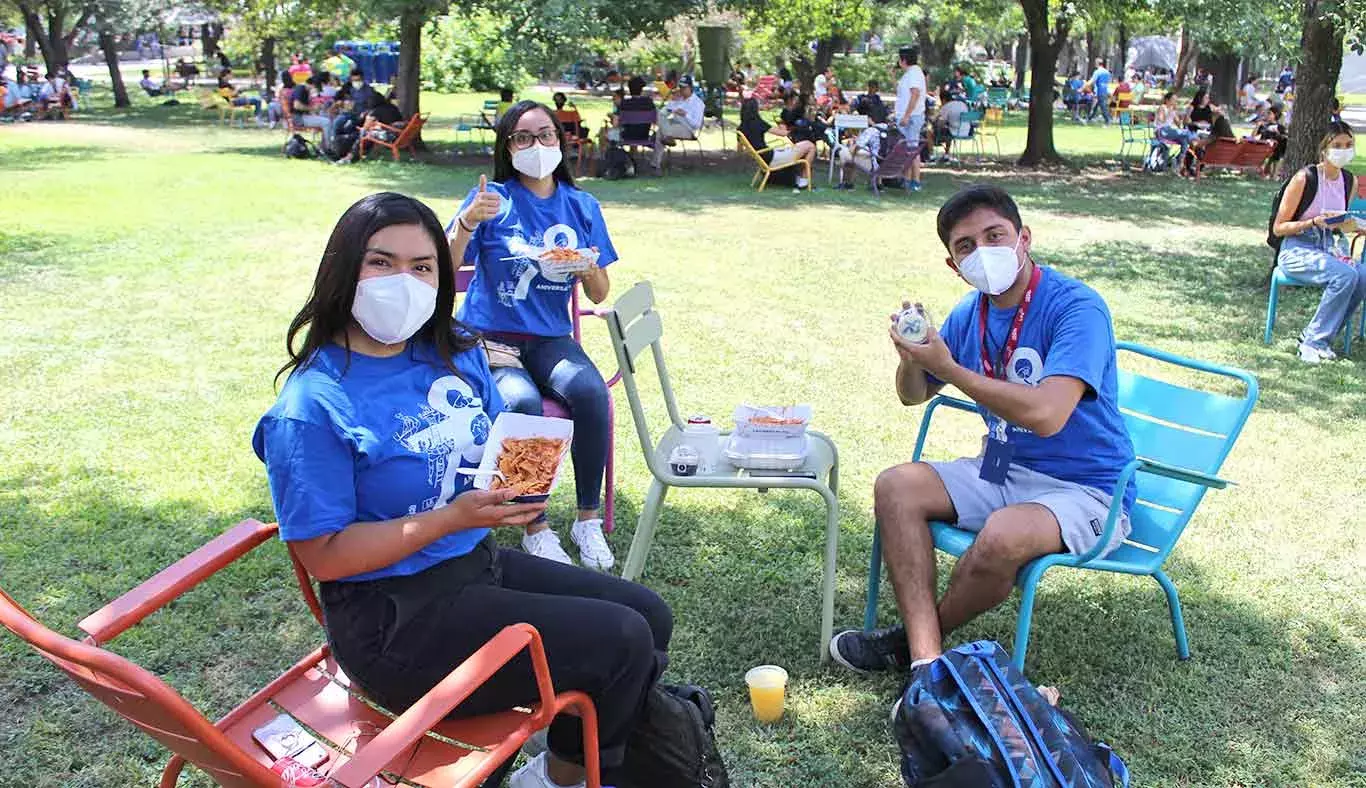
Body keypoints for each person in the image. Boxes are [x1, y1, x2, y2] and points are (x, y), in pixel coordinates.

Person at [254, 191, 673, 788]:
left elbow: (493, 442)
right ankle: (561, 778)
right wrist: (451, 518)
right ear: (344, 270)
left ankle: (561, 766)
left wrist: (518, 483)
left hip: (474, 567)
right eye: (381, 262)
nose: (403, 280)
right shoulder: (311, 407)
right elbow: (324, 555)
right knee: (623, 641)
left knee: (648, 613)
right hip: (395, 620)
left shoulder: (450, 351)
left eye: (422, 266)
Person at [829, 185, 1136, 675]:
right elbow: (913, 394)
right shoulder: (968, 313)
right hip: (1004, 468)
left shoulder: (1077, 307)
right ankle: (926, 664)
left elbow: (1047, 415)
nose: (983, 252)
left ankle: (906, 644)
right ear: (954, 265)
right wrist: (914, 357)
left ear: (1024, 238)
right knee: (896, 486)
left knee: (1003, 534)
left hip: (1088, 489)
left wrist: (950, 369)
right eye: (966, 246)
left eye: (995, 235)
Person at [447, 101, 620, 568]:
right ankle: (534, 523)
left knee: (589, 393)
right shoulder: (491, 199)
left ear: (560, 142)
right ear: (508, 147)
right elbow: (443, 267)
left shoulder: (581, 205)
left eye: (546, 135)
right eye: (523, 138)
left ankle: (586, 519)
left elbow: (601, 292)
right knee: (520, 402)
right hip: (490, 336)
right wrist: (468, 222)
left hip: (550, 338)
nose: (537, 146)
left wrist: (587, 264)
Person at [1270, 121, 1365, 364]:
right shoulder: (1305, 178)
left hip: (1330, 247)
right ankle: (1312, 341)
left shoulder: (1348, 180)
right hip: (1297, 248)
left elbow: (1340, 222)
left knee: (1361, 276)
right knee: (1345, 275)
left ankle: (1322, 339)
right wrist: (1313, 223)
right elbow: (1279, 228)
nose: (1343, 150)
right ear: (1324, 148)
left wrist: (1352, 225)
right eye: (1337, 145)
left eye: (1348, 145)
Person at [738, 96, 814, 189]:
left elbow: (740, 149)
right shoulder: (758, 122)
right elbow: (784, 133)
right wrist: (782, 124)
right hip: (772, 159)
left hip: (762, 159)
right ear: (755, 109)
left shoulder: (740, 128)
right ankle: (804, 180)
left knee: (801, 145)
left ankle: (798, 177)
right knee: (810, 146)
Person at [895, 46, 927, 192]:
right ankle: (907, 179)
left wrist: (906, 115)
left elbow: (915, 95)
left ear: (903, 60)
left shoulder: (914, 73)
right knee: (908, 149)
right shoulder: (910, 73)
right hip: (907, 116)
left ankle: (916, 181)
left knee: (913, 149)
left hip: (912, 117)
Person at [658, 75, 705, 158]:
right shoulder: (679, 99)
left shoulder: (698, 103)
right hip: (674, 124)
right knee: (660, 114)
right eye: (680, 87)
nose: (682, 90)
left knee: (660, 132)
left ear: (690, 87)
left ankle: (655, 163)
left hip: (688, 129)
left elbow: (696, 124)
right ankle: (655, 163)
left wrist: (686, 114)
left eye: (684, 88)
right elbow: (666, 111)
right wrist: (673, 100)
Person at [290, 75, 332, 148]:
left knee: (326, 118)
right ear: (312, 84)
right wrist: (312, 108)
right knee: (326, 122)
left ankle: (323, 145)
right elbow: (297, 105)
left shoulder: (305, 90)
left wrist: (316, 108)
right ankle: (328, 147)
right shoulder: (300, 89)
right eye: (316, 87)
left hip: (302, 116)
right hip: (298, 118)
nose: (315, 89)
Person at [1154, 91, 1194, 166]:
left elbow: (1178, 124)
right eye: (1173, 100)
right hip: (1161, 131)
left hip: (1169, 130)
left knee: (1184, 140)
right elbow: (1161, 120)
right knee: (1187, 134)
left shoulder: (1172, 109)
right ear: (1167, 100)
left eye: (1175, 100)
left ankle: (1178, 161)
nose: (1174, 102)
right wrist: (1170, 111)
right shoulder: (1162, 107)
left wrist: (1180, 117)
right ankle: (1179, 162)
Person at [931, 86, 969, 161]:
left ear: (944, 100)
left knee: (931, 131)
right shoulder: (962, 104)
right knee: (949, 129)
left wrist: (934, 121)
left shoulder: (946, 107)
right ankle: (946, 153)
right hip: (967, 132)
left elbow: (940, 123)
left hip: (955, 132)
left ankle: (931, 154)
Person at [1253, 105, 1288, 177]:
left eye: (1269, 113)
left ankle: (1273, 173)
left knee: (1278, 145)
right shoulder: (1264, 125)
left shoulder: (1280, 127)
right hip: (1262, 149)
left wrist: (1278, 133)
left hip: (1274, 150)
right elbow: (1253, 136)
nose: (1267, 115)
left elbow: (1284, 138)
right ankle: (1272, 173)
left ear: (1275, 115)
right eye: (1267, 113)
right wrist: (1257, 125)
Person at [1087, 58, 1112, 125]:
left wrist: (1085, 86)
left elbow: (1092, 80)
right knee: (1096, 106)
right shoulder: (1107, 72)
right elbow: (1108, 81)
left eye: (1095, 62)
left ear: (1097, 63)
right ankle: (1089, 118)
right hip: (1105, 90)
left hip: (1100, 91)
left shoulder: (1097, 71)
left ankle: (1108, 121)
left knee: (1102, 107)